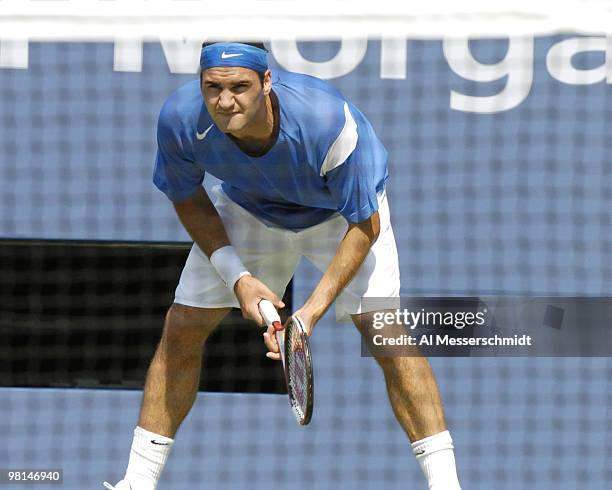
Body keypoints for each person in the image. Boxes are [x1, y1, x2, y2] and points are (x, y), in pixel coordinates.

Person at [104, 41, 461, 490]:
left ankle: (446, 483)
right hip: (250, 210)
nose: (225, 100)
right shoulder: (180, 119)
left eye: (239, 87)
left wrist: (308, 313)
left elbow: (363, 225)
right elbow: (187, 197)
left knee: (384, 330)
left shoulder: (328, 123)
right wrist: (239, 279)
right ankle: (137, 482)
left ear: (266, 83)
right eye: (213, 88)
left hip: (340, 218)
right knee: (183, 326)